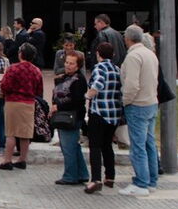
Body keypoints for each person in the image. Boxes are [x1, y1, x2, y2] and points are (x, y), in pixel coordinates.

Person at [119, 24, 160, 196]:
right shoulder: (150, 54)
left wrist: (125, 101)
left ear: (127, 39)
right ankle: (151, 180)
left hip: (138, 104)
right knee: (149, 143)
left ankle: (141, 183)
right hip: (151, 102)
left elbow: (131, 84)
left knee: (138, 146)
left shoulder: (133, 56)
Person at [0, 42, 43, 171]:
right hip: (29, 103)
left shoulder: (13, 68)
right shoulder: (36, 70)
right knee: (25, 133)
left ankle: (7, 160)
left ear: (21, 54)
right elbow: (39, 90)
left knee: (11, 132)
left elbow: (5, 85)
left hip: (13, 101)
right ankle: (22, 159)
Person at [84, 42, 123, 193]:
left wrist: (87, 96)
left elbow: (98, 84)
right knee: (107, 145)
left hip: (99, 112)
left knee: (95, 146)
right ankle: (110, 176)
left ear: (98, 54)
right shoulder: (116, 69)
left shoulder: (100, 67)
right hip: (114, 113)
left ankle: (95, 179)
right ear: (112, 55)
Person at [51, 52, 89, 186]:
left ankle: (70, 175)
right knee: (73, 147)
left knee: (68, 147)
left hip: (71, 117)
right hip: (63, 115)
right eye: (67, 62)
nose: (68, 65)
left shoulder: (79, 80)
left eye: (72, 63)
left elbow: (77, 100)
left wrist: (59, 105)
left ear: (78, 66)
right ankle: (82, 173)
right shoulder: (64, 77)